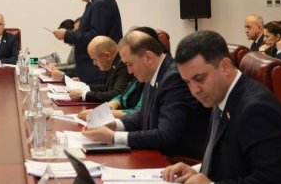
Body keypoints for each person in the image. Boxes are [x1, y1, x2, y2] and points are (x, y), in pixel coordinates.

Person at [161, 31, 281, 184]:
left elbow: (271, 179)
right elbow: (235, 162)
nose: (194, 90)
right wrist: (197, 170)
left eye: (199, 78)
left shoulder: (257, 109)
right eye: (187, 82)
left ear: (226, 67)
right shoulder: (220, 94)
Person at [83, 30, 209, 159]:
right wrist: (115, 124)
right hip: (160, 154)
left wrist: (114, 137)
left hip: (178, 159)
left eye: (130, 64)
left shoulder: (173, 78)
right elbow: (143, 114)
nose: (129, 71)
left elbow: (165, 136)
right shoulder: (154, 73)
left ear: (148, 57)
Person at [52, 0, 122, 84]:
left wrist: (66, 35)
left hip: (98, 71)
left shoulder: (101, 2)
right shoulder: (95, 1)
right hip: (92, 71)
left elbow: (95, 37)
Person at [68, 36, 129, 103]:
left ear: (107, 56)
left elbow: (116, 94)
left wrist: (83, 95)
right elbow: (107, 87)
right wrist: (84, 86)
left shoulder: (123, 63)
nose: (94, 63)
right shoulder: (114, 61)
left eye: (95, 59)